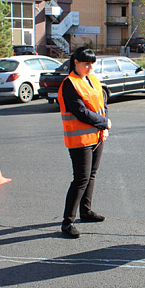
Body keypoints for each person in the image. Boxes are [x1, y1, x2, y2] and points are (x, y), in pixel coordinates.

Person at [57, 47, 112, 238]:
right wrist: (104, 123)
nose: (89, 67)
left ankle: (86, 211)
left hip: (96, 136)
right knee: (81, 179)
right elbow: (80, 111)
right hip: (80, 140)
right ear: (76, 63)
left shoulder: (92, 79)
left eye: (92, 64)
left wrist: (104, 128)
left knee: (91, 175)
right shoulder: (69, 84)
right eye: (85, 64)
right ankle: (67, 222)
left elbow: (101, 105)